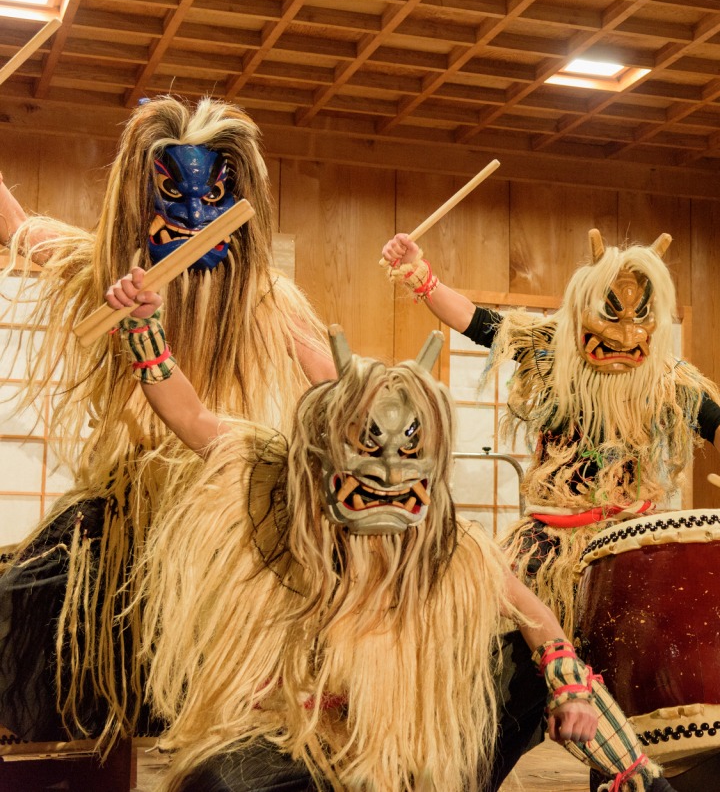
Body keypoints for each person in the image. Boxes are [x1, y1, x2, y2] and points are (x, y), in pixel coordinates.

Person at [103, 269, 676, 792]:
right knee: (217, 784)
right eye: (369, 449)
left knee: (530, 666)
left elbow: (536, 616)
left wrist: (570, 691)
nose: (387, 475)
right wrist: (143, 329)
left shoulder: (450, 546)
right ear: (324, 454)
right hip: (299, 740)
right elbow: (193, 419)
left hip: (411, 750)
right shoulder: (280, 493)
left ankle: (641, 781)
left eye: (407, 454)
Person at [0, 98, 331, 747]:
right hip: (128, 506)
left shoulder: (270, 301)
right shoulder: (108, 273)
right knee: (28, 605)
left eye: (213, 196)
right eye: (173, 194)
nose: (194, 216)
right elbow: (20, 229)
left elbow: (338, 385)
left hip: (229, 516)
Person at [380, 228, 720, 633]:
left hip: (631, 542)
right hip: (549, 542)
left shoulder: (662, 376)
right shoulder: (550, 349)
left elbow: (715, 422)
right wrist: (418, 270)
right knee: (514, 636)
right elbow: (475, 321)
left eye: (637, 319)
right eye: (611, 316)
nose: (624, 335)